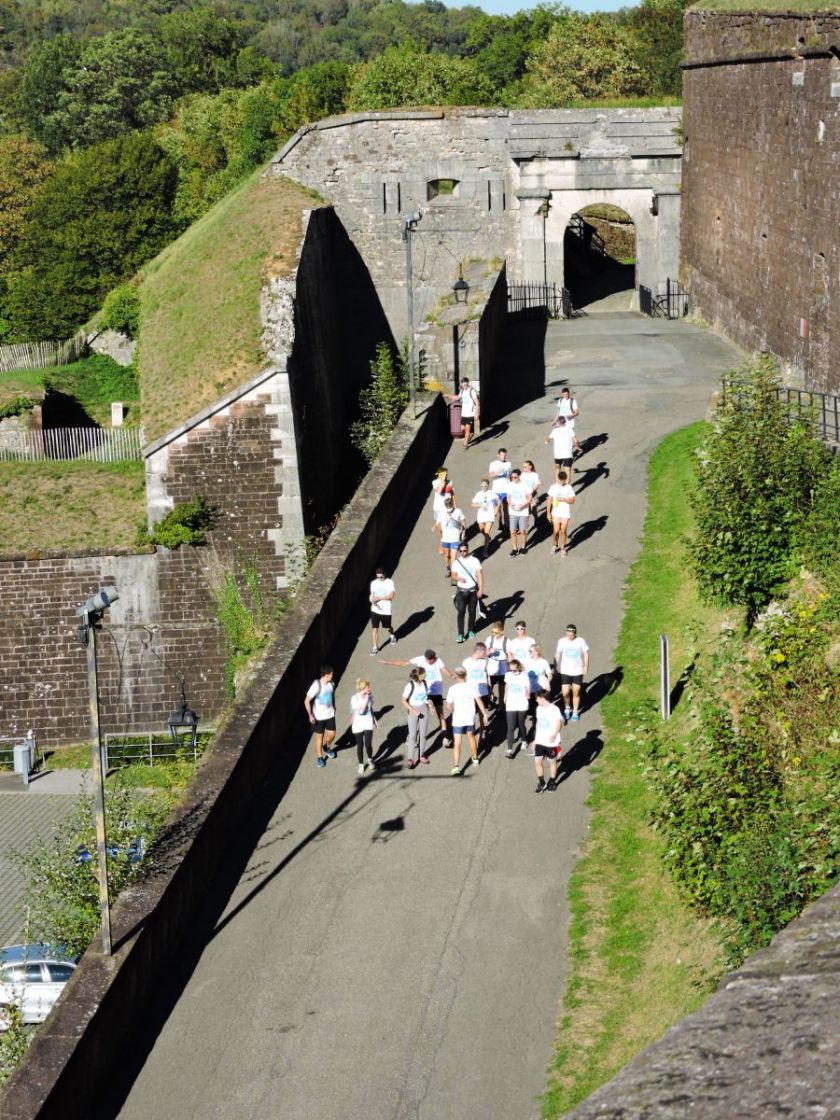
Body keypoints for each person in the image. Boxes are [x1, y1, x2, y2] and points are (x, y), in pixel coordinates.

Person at [379, 649, 453, 733]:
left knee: (441, 715)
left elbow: (445, 671)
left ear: (434, 657)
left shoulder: (438, 660)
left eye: (430, 659)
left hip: (436, 692)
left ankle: (445, 737)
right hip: (423, 692)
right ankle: (414, 735)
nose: (428, 660)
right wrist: (388, 662)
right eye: (427, 659)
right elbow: (405, 663)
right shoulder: (420, 659)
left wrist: (452, 676)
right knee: (418, 716)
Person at [445, 667, 485, 774]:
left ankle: (456, 766)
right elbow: (479, 701)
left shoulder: (452, 689)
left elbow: (448, 705)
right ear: (465, 675)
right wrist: (484, 714)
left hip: (458, 718)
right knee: (471, 737)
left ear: (456, 676)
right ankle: (475, 759)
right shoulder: (471, 687)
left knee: (457, 742)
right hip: (469, 718)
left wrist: (453, 711)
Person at [554, 623, 590, 722]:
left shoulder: (581, 641)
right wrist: (556, 665)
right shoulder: (562, 641)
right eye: (568, 635)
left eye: (572, 635)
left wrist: (586, 667)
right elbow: (557, 653)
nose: (569, 637)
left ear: (575, 634)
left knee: (576, 691)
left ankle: (575, 711)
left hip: (577, 671)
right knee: (565, 692)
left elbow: (586, 654)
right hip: (565, 670)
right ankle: (567, 708)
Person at [304, 666, 338, 768]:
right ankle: (320, 758)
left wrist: (334, 706)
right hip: (318, 717)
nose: (332, 675)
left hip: (330, 714)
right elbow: (306, 701)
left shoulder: (331, 683)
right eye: (331, 674)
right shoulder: (316, 685)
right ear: (326, 675)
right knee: (319, 737)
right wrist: (310, 715)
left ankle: (327, 747)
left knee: (332, 734)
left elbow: (332, 696)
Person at [402, 666, 435, 769]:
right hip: (413, 711)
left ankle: (421, 755)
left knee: (423, 734)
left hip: (423, 710)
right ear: (418, 675)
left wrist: (431, 705)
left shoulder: (424, 683)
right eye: (423, 674)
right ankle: (410, 759)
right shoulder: (410, 685)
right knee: (412, 735)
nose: (425, 675)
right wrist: (413, 711)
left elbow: (426, 698)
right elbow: (403, 700)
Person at [452, 542, 484, 643]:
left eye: (465, 550)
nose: (463, 553)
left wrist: (481, 589)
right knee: (461, 611)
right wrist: (458, 578)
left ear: (468, 550)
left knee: (472, 611)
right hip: (461, 591)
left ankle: (471, 630)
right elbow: (453, 575)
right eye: (460, 551)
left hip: (472, 590)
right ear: (458, 551)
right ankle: (460, 634)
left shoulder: (474, 561)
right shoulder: (456, 562)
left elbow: (479, 575)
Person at [533, 690, 563, 792]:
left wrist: (554, 735)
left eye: (537, 698)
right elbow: (537, 723)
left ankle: (552, 781)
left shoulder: (554, 709)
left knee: (552, 762)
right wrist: (535, 739)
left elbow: (559, 723)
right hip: (540, 741)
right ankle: (541, 783)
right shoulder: (538, 709)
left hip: (551, 742)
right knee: (537, 761)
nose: (536, 700)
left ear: (543, 698)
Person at [462, 641, 490, 736]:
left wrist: (490, 691)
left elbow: (487, 676)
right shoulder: (466, 662)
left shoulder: (484, 661)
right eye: (484, 652)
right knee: (471, 713)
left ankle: (481, 734)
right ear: (478, 652)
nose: (485, 654)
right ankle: (471, 731)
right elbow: (463, 677)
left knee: (482, 715)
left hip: (483, 692)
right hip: (471, 693)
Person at [503, 658, 530, 758]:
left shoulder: (524, 676)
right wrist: (505, 696)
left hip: (522, 703)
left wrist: (528, 695)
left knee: (521, 724)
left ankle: (524, 740)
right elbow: (507, 685)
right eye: (511, 670)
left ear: (518, 668)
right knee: (510, 727)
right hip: (511, 704)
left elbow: (528, 687)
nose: (512, 672)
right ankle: (510, 749)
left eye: (514, 670)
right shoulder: (508, 675)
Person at [350, 679, 377, 775]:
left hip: (368, 723)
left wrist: (375, 720)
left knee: (368, 744)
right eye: (368, 687)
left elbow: (370, 709)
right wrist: (366, 699)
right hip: (357, 724)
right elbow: (361, 711)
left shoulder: (370, 696)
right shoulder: (354, 698)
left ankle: (370, 759)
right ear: (363, 688)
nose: (370, 688)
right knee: (360, 745)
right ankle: (361, 764)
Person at [546, 470, 576, 556]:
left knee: (563, 530)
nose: (561, 482)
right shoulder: (553, 487)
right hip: (556, 512)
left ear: (565, 479)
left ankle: (563, 548)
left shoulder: (568, 487)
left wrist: (564, 499)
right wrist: (548, 512)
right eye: (560, 480)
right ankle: (555, 545)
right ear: (558, 478)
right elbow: (549, 500)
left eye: (563, 481)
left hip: (565, 513)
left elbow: (573, 501)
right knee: (556, 531)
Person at [437, 495, 466, 577]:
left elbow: (463, 520)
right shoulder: (442, 512)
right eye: (447, 505)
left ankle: (454, 575)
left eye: (450, 504)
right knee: (447, 555)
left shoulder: (458, 511)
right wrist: (435, 527)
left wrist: (463, 532)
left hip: (455, 538)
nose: (449, 506)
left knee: (453, 557)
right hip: (446, 538)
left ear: (452, 504)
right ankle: (448, 568)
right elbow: (438, 523)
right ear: (445, 505)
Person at [369, 566, 396, 654]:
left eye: (381, 577)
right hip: (375, 610)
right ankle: (375, 647)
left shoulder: (389, 583)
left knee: (388, 627)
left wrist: (379, 598)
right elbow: (372, 595)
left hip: (386, 610)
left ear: (384, 575)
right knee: (374, 628)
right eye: (378, 577)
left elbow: (391, 596)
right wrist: (372, 600)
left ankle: (392, 635)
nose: (379, 579)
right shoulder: (373, 583)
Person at [448, 377, 480, 449]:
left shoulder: (472, 391)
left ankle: (465, 444)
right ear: (462, 384)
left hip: (470, 414)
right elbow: (458, 397)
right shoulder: (462, 391)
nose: (464, 384)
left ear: (468, 383)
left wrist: (476, 413)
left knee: (467, 429)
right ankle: (470, 435)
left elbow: (477, 402)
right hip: (464, 414)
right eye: (463, 383)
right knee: (462, 428)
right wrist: (449, 396)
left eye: (466, 382)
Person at [471, 479, 500, 556]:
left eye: (485, 486)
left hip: (490, 515)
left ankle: (485, 550)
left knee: (486, 532)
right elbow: (472, 504)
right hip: (481, 515)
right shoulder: (478, 494)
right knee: (481, 530)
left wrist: (497, 509)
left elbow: (498, 501)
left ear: (488, 485)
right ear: (480, 486)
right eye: (482, 486)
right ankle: (487, 538)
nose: (483, 487)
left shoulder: (492, 493)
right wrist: (479, 505)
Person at [507, 468, 532, 556]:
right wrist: (511, 505)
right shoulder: (510, 485)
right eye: (512, 477)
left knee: (522, 531)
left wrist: (523, 506)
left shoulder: (525, 485)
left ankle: (523, 547)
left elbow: (529, 498)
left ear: (519, 477)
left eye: (515, 477)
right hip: (513, 511)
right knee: (512, 531)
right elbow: (508, 497)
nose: (513, 479)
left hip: (523, 511)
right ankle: (514, 548)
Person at [486, 620, 510, 708]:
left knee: (501, 687)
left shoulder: (507, 641)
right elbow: (484, 653)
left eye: (496, 632)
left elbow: (510, 655)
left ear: (501, 631)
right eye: (493, 632)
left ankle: (501, 705)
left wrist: (511, 663)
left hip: (503, 666)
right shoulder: (490, 639)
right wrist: (489, 651)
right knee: (489, 686)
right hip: (492, 667)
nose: (494, 634)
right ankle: (488, 702)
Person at [431, 468, 454, 556]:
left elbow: (451, 494)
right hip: (438, 508)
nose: (445, 476)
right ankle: (441, 545)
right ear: (439, 474)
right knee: (440, 529)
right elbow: (439, 491)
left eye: (446, 474)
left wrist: (454, 505)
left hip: (448, 508)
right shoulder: (435, 482)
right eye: (443, 474)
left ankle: (448, 542)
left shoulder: (450, 482)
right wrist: (442, 483)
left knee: (447, 526)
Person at [546, 415, 576, 483]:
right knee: (567, 471)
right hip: (567, 454)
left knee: (557, 469)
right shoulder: (570, 430)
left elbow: (548, 439)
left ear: (558, 423)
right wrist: (578, 447)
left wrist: (546, 441)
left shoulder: (555, 430)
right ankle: (567, 487)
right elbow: (575, 440)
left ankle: (557, 485)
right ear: (565, 422)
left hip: (558, 454)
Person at [489, 448, 512, 533]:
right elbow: (491, 475)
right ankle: (500, 523)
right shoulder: (493, 464)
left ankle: (507, 526)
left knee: (506, 508)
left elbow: (509, 476)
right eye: (502, 455)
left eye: (505, 455)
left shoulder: (508, 464)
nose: (503, 457)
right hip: (496, 490)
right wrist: (498, 472)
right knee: (498, 510)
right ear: (498, 455)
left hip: (506, 489)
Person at [554, 387, 582, 454]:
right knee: (562, 437)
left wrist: (571, 416)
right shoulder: (560, 400)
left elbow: (577, 412)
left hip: (569, 422)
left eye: (566, 394)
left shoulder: (573, 401)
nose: (565, 396)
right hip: (561, 422)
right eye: (564, 394)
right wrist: (555, 421)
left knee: (572, 437)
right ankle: (564, 451)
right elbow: (558, 411)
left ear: (569, 393)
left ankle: (578, 447)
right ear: (562, 394)